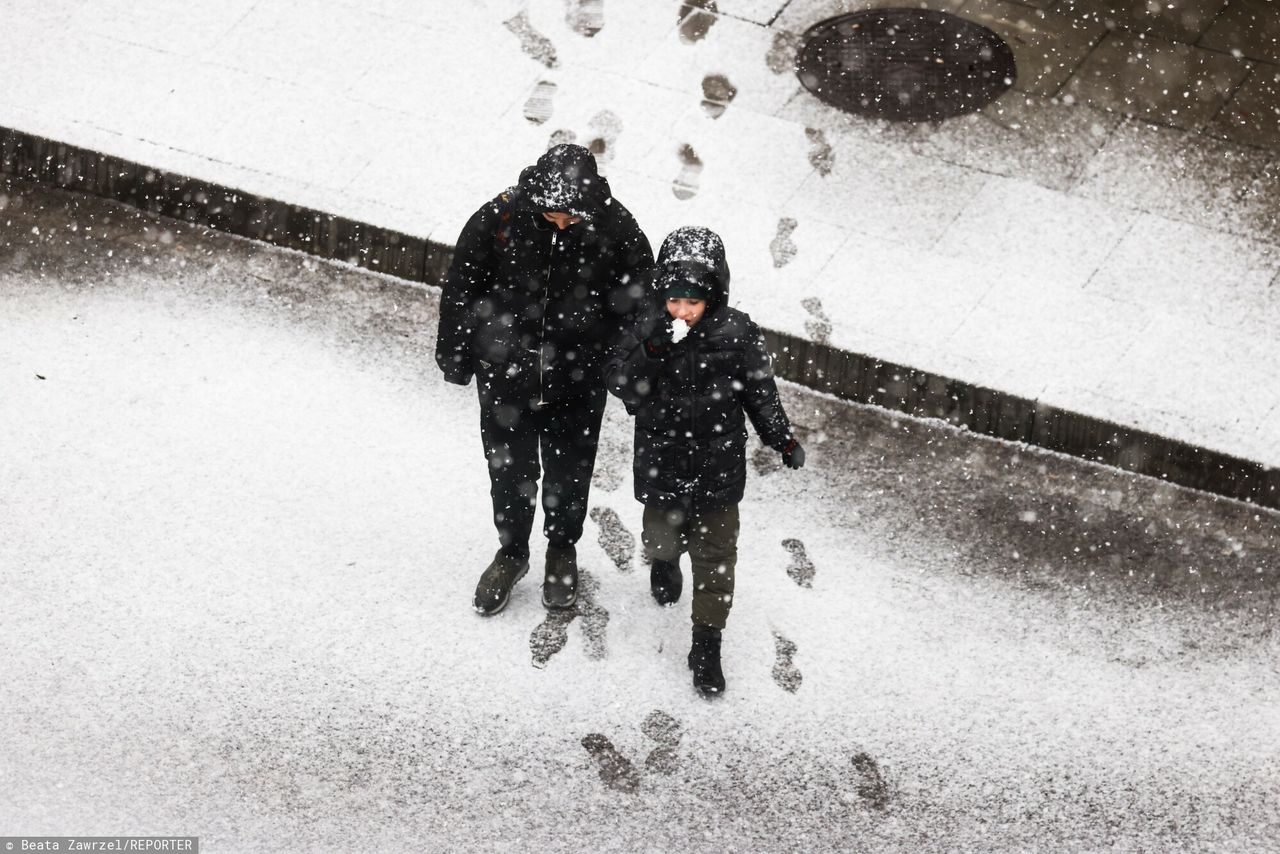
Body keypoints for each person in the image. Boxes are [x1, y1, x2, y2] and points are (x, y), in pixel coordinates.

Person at [435, 144, 654, 615]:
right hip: (505, 375)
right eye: (553, 214)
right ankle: (511, 553)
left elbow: (641, 308)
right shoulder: (499, 218)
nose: (560, 224)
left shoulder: (617, 229)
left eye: (570, 218)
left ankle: (562, 551)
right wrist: (455, 350)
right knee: (509, 472)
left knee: (569, 471)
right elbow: (462, 286)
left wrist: (617, 364)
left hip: (578, 379)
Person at [604, 226, 805, 696]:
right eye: (674, 300)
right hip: (662, 458)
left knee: (717, 559)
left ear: (713, 296)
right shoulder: (645, 326)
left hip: (718, 464)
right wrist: (653, 350)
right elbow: (620, 382)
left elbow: (760, 391)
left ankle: (706, 643)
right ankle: (665, 562)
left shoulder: (737, 332)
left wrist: (781, 438)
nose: (682, 311)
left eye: (692, 301)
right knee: (660, 536)